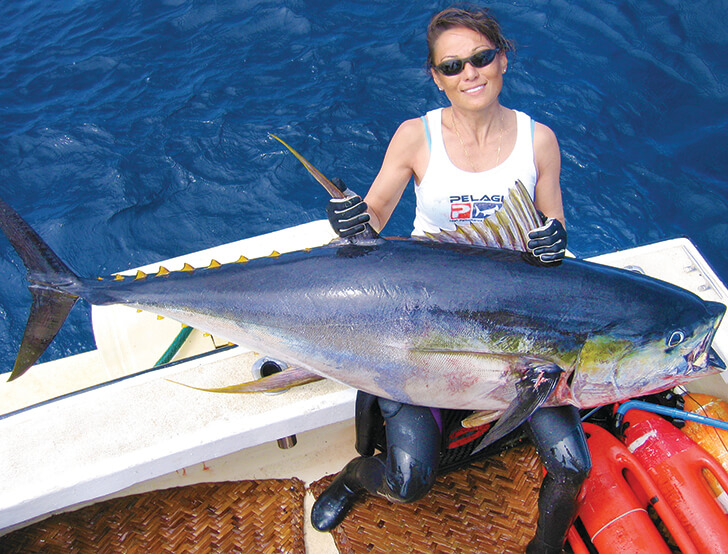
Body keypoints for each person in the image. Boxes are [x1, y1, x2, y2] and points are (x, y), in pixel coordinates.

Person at [312, 6, 590, 554]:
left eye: (481, 58)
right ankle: (354, 477)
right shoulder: (415, 137)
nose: (470, 73)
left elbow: (551, 219)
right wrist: (350, 218)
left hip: (519, 322)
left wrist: (555, 237)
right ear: (437, 77)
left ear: (502, 59)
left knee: (572, 466)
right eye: (453, 65)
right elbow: (376, 214)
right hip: (422, 319)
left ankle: (545, 548)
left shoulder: (539, 140)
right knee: (408, 481)